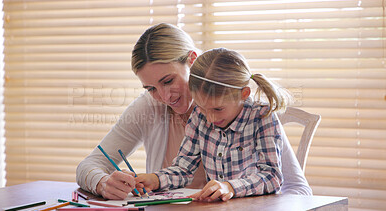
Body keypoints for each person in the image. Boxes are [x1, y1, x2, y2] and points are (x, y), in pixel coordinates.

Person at [76, 23, 312, 200]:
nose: (164, 97)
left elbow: (293, 187)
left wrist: (233, 188)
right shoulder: (155, 107)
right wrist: (104, 183)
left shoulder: (250, 111)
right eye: (151, 88)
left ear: (192, 60)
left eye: (168, 80)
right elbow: (89, 165)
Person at [136, 48, 287, 202]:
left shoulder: (262, 116)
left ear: (244, 94)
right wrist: (155, 180)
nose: (210, 118)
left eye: (218, 109)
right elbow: (183, 169)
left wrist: (230, 187)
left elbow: (272, 176)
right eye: (202, 107)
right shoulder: (198, 117)